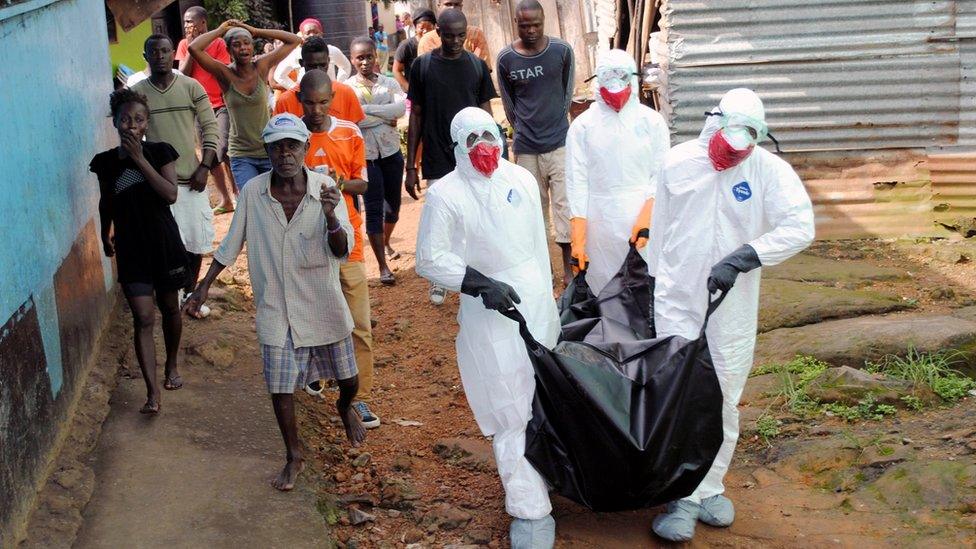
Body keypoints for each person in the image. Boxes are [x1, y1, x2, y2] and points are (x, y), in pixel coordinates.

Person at [647, 88, 815, 542]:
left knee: (723, 394)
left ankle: (709, 485)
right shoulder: (678, 161)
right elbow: (661, 229)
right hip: (677, 298)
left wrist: (746, 255)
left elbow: (801, 226)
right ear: (713, 124)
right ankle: (680, 493)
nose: (730, 158)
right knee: (679, 394)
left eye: (742, 152)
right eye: (725, 147)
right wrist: (651, 282)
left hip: (732, 306)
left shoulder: (769, 171)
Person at [184, 113, 366, 491]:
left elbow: (342, 250)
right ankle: (293, 454)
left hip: (321, 300)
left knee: (348, 379)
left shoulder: (325, 189)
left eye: (292, 145)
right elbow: (232, 241)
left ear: (305, 149)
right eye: (278, 146)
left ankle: (343, 405)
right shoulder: (253, 192)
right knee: (280, 387)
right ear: (267, 151)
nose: (285, 153)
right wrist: (203, 286)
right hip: (276, 305)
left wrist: (332, 215)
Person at [416, 107, 558, 548]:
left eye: (489, 133)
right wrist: (479, 284)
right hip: (488, 311)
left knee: (544, 396)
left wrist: (549, 298)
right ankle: (529, 510)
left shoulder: (522, 179)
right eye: (471, 136)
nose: (483, 143)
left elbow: (538, 240)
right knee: (510, 404)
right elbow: (429, 259)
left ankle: (549, 477)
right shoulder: (445, 195)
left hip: (535, 301)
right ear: (456, 144)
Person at [90, 88, 187, 414]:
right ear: (115, 122)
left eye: (139, 119)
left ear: (147, 123)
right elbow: (107, 202)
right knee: (143, 317)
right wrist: (105, 233)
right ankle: (151, 392)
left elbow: (170, 195)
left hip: (163, 243)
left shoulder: (160, 153)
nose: (132, 125)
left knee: (170, 308)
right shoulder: (104, 163)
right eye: (126, 119)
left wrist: (139, 159)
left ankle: (172, 363)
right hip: (131, 249)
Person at [298, 69, 381, 429]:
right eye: (310, 103)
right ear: (300, 100)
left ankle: (360, 398)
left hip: (347, 240)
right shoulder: (292, 136)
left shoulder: (349, 132)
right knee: (314, 315)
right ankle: (319, 374)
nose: (317, 110)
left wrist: (338, 183)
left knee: (359, 321)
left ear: (332, 99)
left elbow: (363, 183)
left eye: (323, 102)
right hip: (305, 241)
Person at [406, 8, 496, 305]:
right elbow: (416, 115)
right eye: (449, 35)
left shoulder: (476, 67)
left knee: (476, 215)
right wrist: (410, 165)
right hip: (436, 155)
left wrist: (497, 154)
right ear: (438, 34)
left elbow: (487, 116)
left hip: (472, 158)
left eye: (460, 35)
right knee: (439, 219)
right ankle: (439, 279)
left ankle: (476, 273)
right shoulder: (423, 66)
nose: (455, 41)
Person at [564, 49, 670, 296]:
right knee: (606, 290)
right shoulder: (582, 127)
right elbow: (576, 181)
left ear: (633, 79)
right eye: (607, 79)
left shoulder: (652, 122)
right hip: (599, 222)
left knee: (646, 289)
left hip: (643, 222)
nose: (616, 88)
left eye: (622, 78)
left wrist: (648, 215)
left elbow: (661, 174)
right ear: (597, 82)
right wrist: (578, 235)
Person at [132, 34, 220, 319]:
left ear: (174, 55)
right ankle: (172, 297)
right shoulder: (138, 93)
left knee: (196, 244)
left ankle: (189, 296)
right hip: (157, 185)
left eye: (165, 51)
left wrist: (204, 167)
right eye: (154, 51)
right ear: (145, 56)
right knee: (165, 246)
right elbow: (132, 134)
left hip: (191, 180)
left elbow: (211, 128)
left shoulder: (191, 87)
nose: (160, 56)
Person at [497, 0, 575, 287]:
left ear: (544, 21)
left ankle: (568, 270)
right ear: (516, 23)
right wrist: (524, 130)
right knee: (533, 211)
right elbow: (509, 105)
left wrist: (554, 124)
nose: (530, 30)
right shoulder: (506, 58)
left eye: (536, 24)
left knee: (564, 208)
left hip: (560, 144)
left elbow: (567, 94)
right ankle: (544, 271)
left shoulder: (561, 51)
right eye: (524, 25)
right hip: (527, 148)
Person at [188, 20, 301, 189]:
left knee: (276, 201)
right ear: (228, 50)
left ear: (253, 47)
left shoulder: (261, 67)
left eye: (247, 43)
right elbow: (194, 48)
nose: (243, 48)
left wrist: (255, 30)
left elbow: (294, 40)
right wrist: (220, 30)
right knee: (252, 201)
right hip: (241, 155)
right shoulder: (225, 74)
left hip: (269, 151)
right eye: (237, 45)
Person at [347, 36, 406, 285]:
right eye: (359, 57)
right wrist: (385, 116)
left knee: (393, 207)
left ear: (376, 56)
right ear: (352, 59)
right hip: (366, 157)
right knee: (373, 210)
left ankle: (386, 241)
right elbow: (355, 120)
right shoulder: (347, 88)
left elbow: (401, 110)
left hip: (391, 152)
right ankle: (383, 266)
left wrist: (369, 111)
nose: (364, 62)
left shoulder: (389, 83)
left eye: (369, 56)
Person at [175, 6, 237, 214]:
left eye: (191, 22)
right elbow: (182, 73)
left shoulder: (218, 43)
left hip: (220, 105)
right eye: (185, 22)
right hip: (198, 107)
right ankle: (226, 199)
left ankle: (238, 195)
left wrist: (198, 48)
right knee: (210, 155)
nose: (187, 26)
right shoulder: (184, 45)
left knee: (222, 149)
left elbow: (218, 70)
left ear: (203, 23)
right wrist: (192, 47)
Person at [274, 36, 365, 125]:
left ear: (328, 61)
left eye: (322, 65)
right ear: (302, 63)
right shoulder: (285, 101)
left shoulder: (346, 93)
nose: (318, 70)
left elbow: (355, 133)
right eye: (312, 66)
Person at [273, 18, 352, 88]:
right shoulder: (296, 54)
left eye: (315, 32)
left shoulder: (332, 51)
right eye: (308, 33)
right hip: (306, 96)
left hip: (330, 93)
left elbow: (346, 66)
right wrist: (295, 88)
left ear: (321, 34)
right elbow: (279, 75)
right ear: (302, 36)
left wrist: (338, 84)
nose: (312, 35)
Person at [416, 0, 490, 66]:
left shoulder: (475, 34)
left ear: (461, 7)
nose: (452, 8)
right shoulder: (427, 41)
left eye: (457, 4)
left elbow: (482, 70)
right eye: (448, 4)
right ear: (439, 6)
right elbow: (427, 75)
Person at [392, 8, 435, 92]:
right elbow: (396, 70)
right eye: (421, 28)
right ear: (415, 28)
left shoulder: (438, 44)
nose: (425, 31)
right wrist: (410, 90)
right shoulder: (406, 46)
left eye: (429, 28)